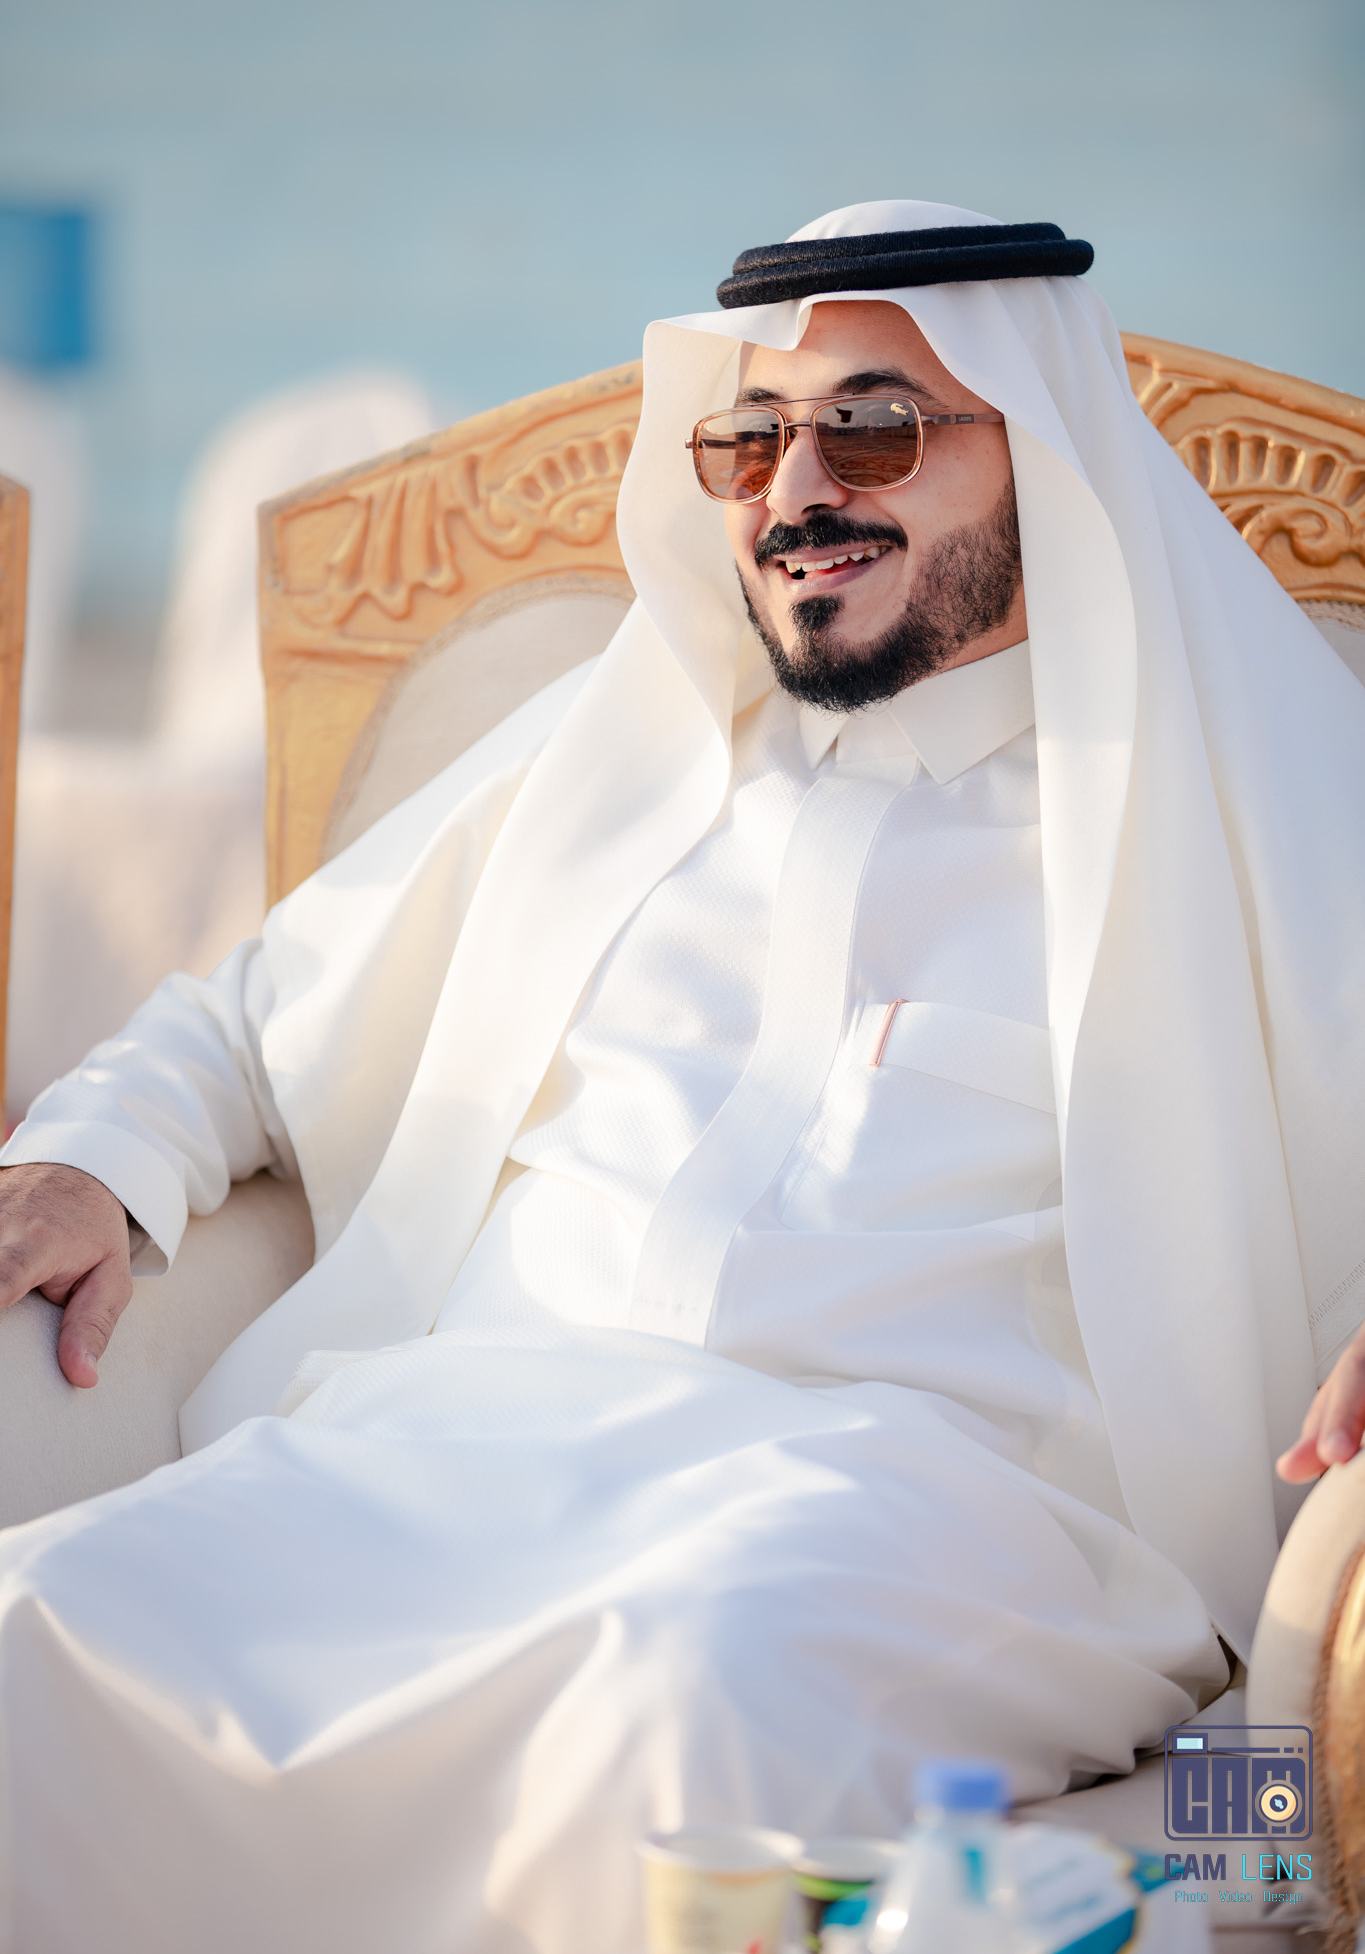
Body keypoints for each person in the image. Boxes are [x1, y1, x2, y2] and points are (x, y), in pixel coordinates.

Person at [0, 199, 1362, 1954]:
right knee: (42, 1624)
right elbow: (259, 1014)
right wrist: (94, 1154)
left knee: (675, 1714)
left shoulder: (1245, 803)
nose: (796, 490)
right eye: (749, 441)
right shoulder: (611, 760)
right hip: (458, 1434)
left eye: (872, 431)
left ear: (1044, 456)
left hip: (922, 1513)